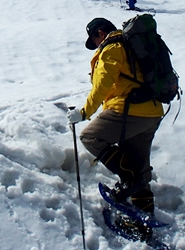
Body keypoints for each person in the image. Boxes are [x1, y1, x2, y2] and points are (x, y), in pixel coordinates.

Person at [67, 17, 164, 234]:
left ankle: (130, 180)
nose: (95, 44)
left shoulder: (113, 47)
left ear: (101, 33)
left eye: (94, 39)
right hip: (153, 111)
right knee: (138, 163)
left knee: (90, 137)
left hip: (128, 109)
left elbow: (103, 84)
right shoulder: (134, 45)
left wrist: (83, 113)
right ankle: (144, 222)